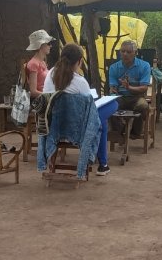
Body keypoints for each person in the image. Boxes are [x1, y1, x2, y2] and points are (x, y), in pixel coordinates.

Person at [43, 43, 118, 176]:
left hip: (53, 125)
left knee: (101, 121)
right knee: (111, 106)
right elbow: (89, 110)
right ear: (79, 61)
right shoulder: (79, 81)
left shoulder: (50, 75)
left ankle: (103, 164)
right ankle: (102, 164)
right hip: (76, 128)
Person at [108, 39, 151, 138]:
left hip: (137, 97)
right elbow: (113, 86)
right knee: (109, 106)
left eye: (129, 52)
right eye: (123, 51)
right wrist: (113, 90)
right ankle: (120, 131)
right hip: (121, 97)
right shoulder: (114, 67)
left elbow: (144, 88)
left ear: (135, 53)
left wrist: (129, 87)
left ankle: (135, 132)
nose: (125, 54)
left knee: (143, 106)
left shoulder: (144, 66)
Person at [25, 29, 55, 98]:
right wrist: (51, 97)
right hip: (41, 102)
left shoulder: (42, 62)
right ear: (40, 45)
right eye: (48, 43)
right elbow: (33, 91)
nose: (50, 46)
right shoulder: (33, 64)